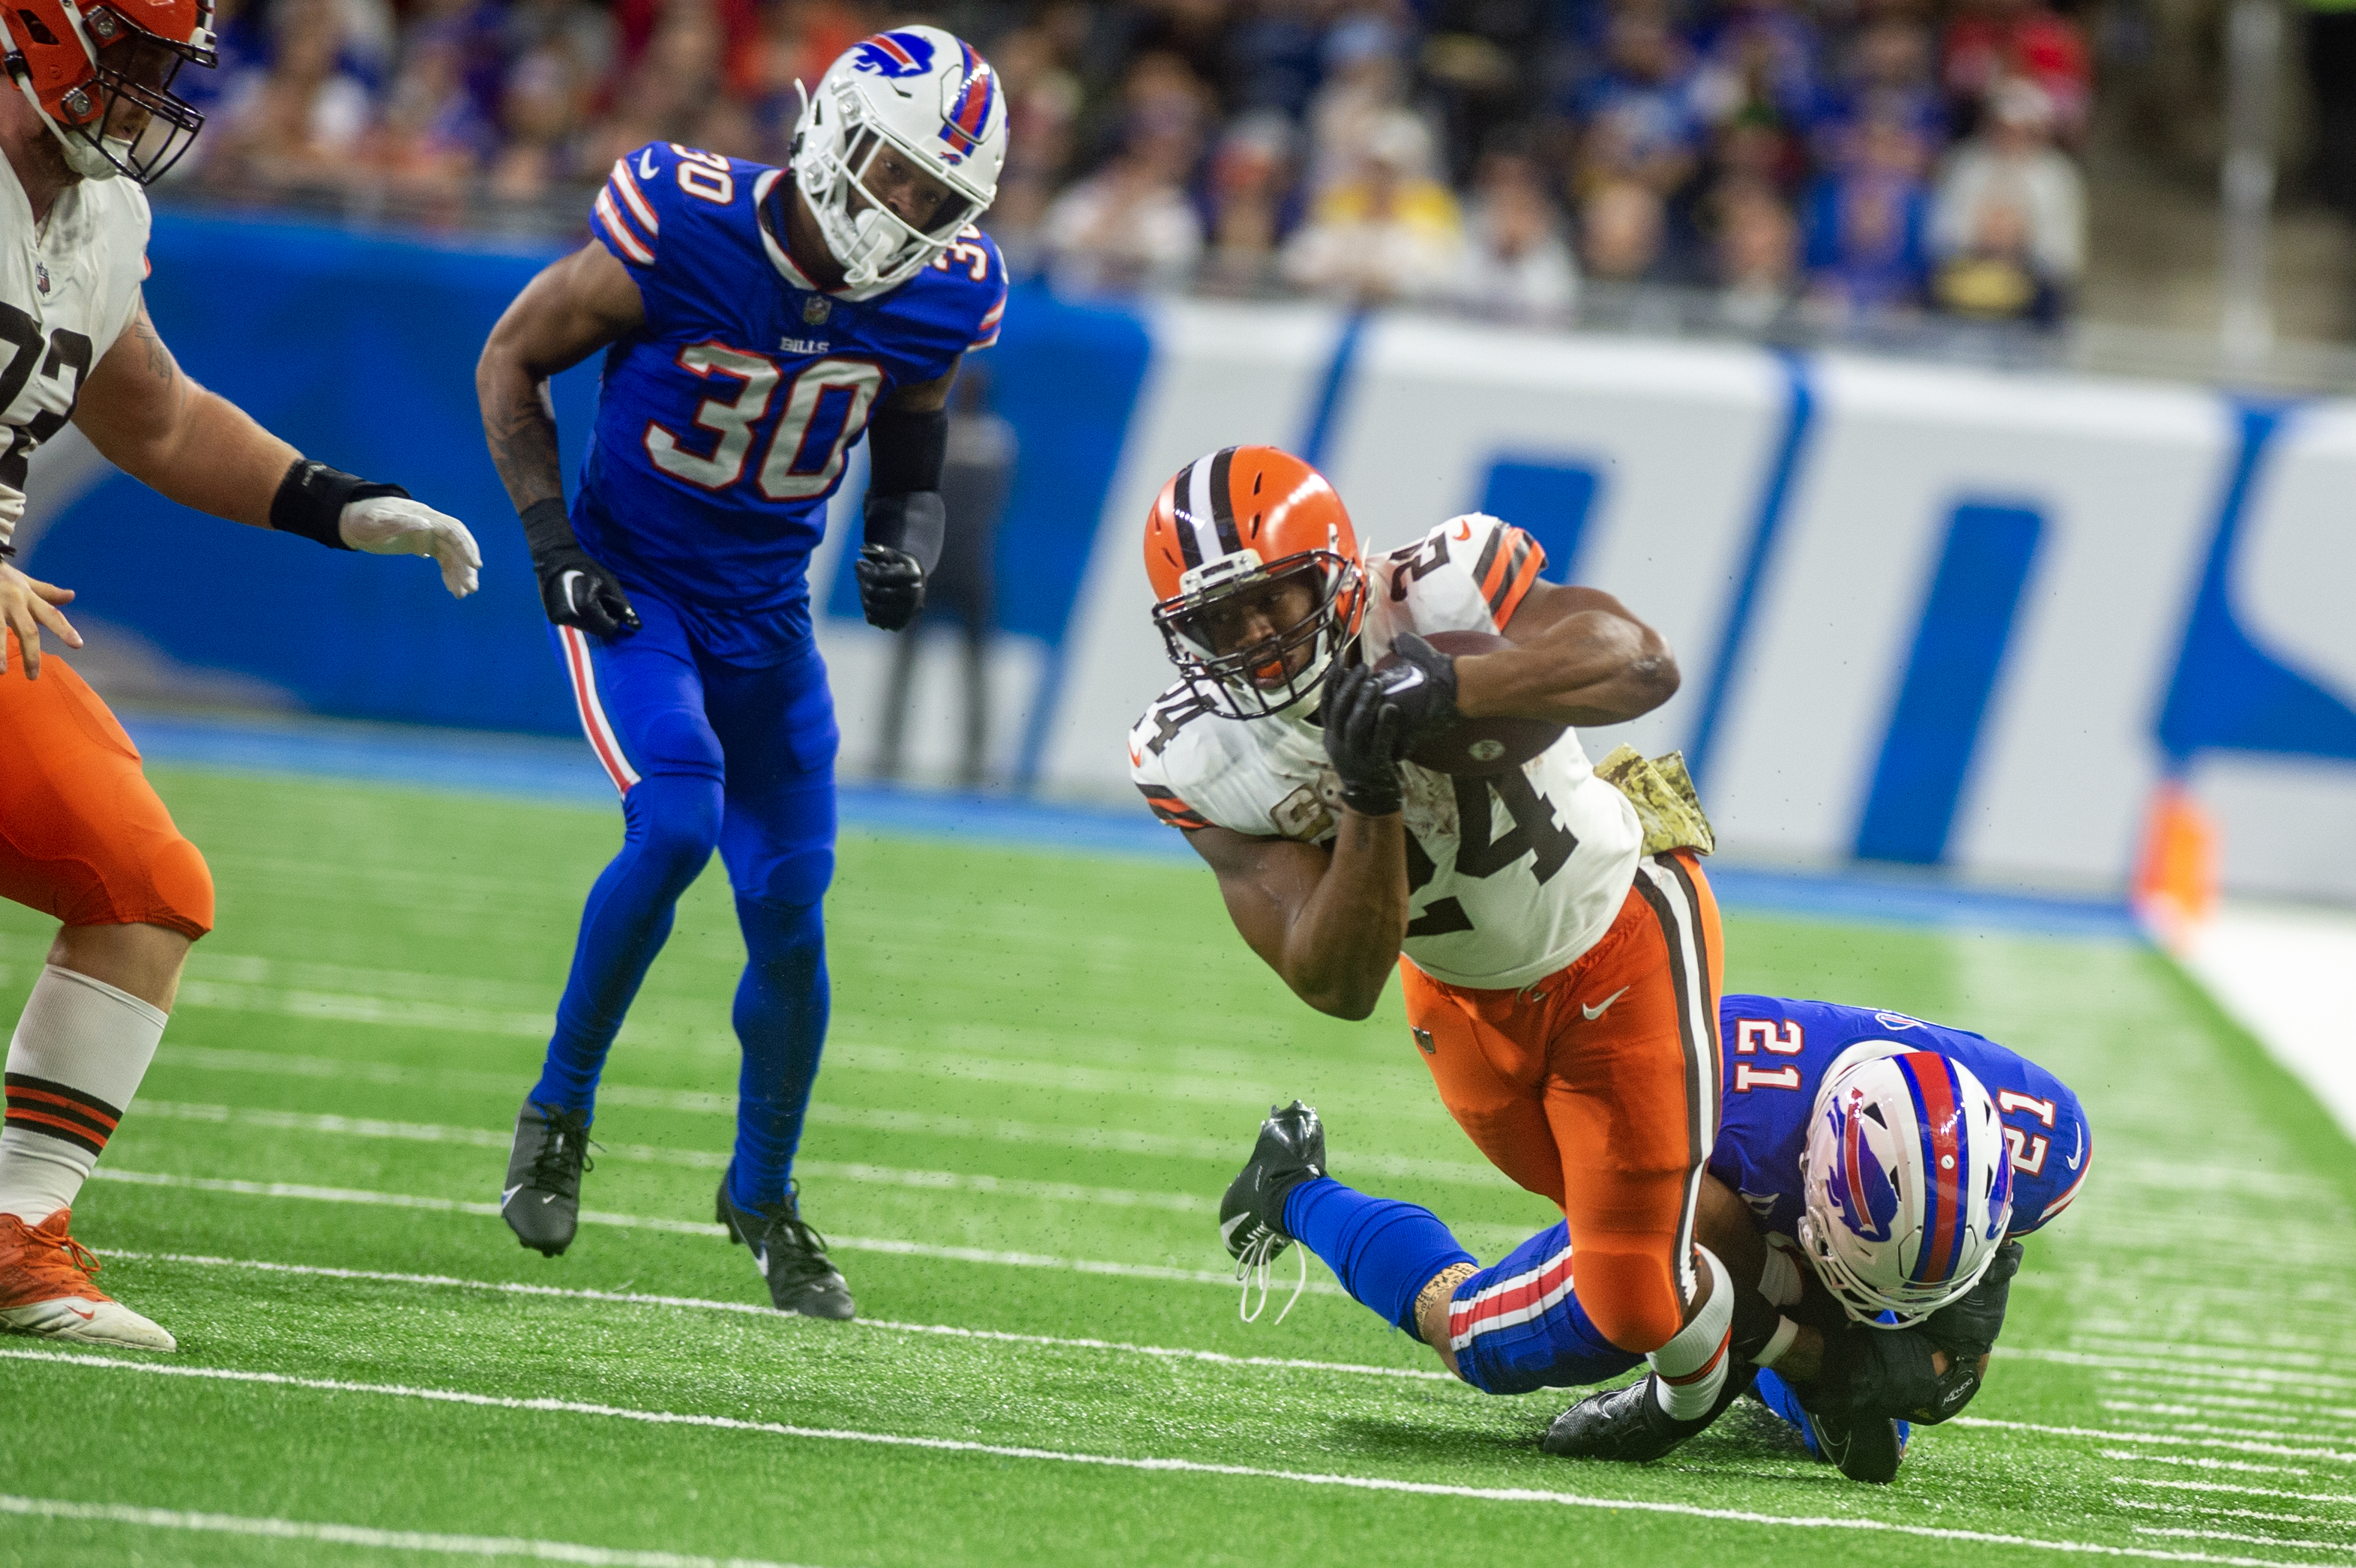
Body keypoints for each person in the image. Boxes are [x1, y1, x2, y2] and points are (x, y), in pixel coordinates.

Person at [474, 24, 1007, 1320]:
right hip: (638, 591)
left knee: (790, 899)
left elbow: (916, 427)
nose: (911, 216)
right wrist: (550, 544)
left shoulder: (942, 291)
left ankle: (759, 1194)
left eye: (941, 199)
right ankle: (558, 1110)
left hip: (766, 624)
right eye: (896, 176)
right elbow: (512, 358)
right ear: (828, 131)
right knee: (675, 818)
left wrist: (900, 536)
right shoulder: (684, 220)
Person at [0, 0, 480, 1351]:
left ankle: (14, 1230)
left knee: (145, 886)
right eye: (135, 56)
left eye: (166, 66)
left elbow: (152, 411)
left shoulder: (90, 215)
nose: (150, 91)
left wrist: (342, 504)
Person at [1127, 446, 1735, 1437]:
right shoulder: (1190, 753)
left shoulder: (1441, 586)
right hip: (1455, 998)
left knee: (1632, 1294)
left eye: (1270, 602)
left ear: (1333, 571)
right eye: (1213, 621)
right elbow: (1334, 984)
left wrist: (1453, 685)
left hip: (1611, 934)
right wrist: (1366, 792)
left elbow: (1642, 664)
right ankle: (1766, 1341)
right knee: (1634, 1239)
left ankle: (1754, 1372)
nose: (1248, 640)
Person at [1219, 995, 2090, 1483]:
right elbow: (1674, 1229)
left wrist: (1774, 1339)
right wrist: (1706, 1360)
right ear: (1814, 1178)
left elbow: (1947, 1379)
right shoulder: (1697, 1089)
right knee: (1473, 1337)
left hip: (1799, 1200)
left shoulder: (2041, 1143)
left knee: (1888, 1402)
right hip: (1683, 1191)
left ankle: (1776, 1358)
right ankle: (1288, 1187)